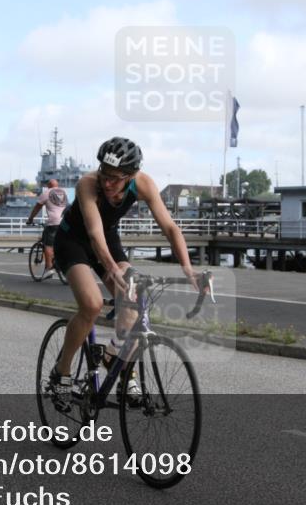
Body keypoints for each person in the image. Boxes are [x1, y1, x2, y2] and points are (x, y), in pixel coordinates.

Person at [50, 137, 199, 405]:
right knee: (92, 305)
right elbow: (94, 234)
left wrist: (188, 269)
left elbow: (170, 228)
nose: (106, 183)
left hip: (108, 239)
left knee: (134, 297)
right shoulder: (87, 184)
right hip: (74, 241)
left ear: (131, 176)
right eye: (104, 175)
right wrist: (110, 269)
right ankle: (62, 371)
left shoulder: (143, 184)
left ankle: (118, 364)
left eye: (115, 179)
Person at [26, 178, 68, 280]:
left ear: (49, 186)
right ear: (57, 185)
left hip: (53, 222)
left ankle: (49, 268)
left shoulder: (47, 193)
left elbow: (37, 207)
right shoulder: (64, 193)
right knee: (63, 242)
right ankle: (63, 262)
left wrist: (30, 219)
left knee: (48, 244)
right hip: (66, 222)